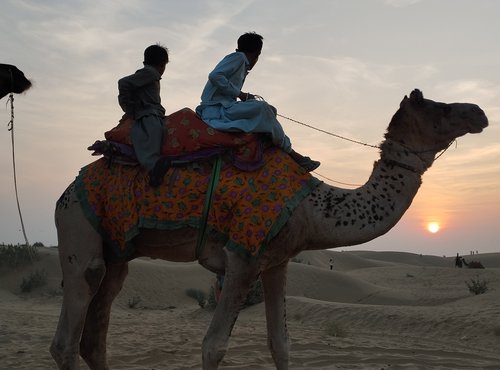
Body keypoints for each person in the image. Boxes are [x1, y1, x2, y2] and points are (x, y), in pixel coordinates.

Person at [195, 32, 320, 172]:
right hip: (216, 110)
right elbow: (215, 76)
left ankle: (269, 141)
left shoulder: (239, 61)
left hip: (224, 107)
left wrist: (244, 96)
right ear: (257, 53)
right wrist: (240, 94)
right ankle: (292, 153)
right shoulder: (239, 58)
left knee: (270, 110)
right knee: (264, 109)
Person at [118, 44, 170, 186]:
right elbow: (123, 83)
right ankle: (153, 167)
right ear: (161, 65)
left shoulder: (148, 74)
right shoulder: (151, 73)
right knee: (150, 136)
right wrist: (129, 108)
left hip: (152, 113)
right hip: (148, 114)